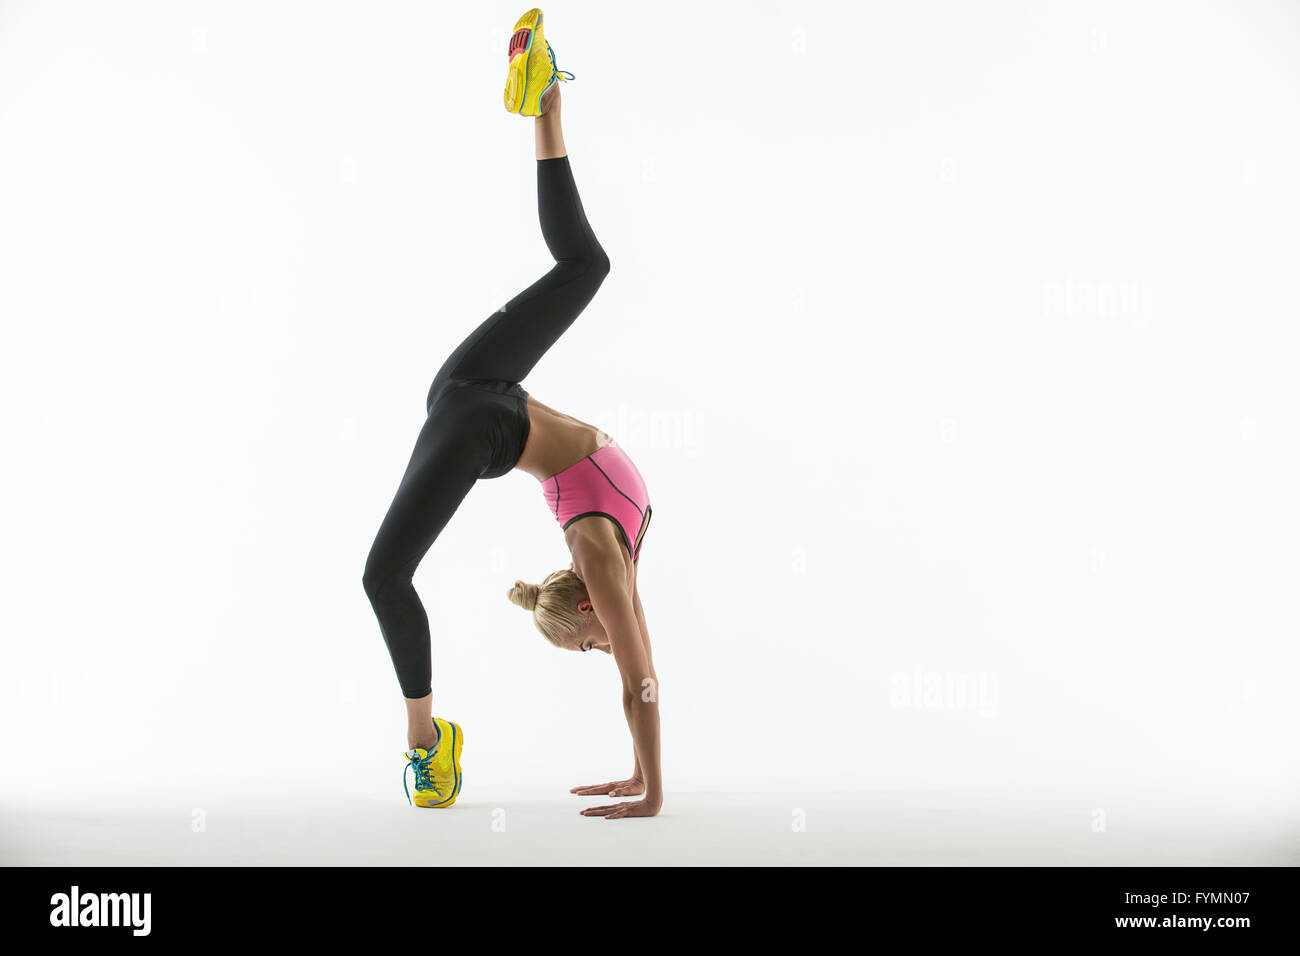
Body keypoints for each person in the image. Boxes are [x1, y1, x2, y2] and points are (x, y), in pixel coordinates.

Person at [362, 9, 662, 820]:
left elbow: (637, 671)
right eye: (588, 645)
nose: (602, 649)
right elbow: (642, 681)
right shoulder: (602, 557)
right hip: (479, 416)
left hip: (480, 387)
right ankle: (430, 749)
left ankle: (547, 109)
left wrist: (641, 766)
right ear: (592, 609)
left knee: (585, 266)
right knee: (383, 577)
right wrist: (652, 790)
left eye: (586, 645)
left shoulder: (612, 548)